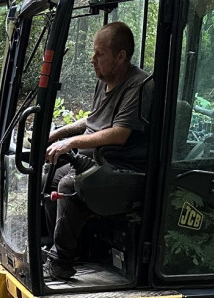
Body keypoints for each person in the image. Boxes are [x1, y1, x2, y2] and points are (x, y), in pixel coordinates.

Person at [43, 22, 151, 281]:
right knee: (50, 173)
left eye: (99, 54)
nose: (93, 60)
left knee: (70, 184)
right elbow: (93, 121)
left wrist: (70, 144)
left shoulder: (138, 85)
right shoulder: (104, 81)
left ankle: (61, 262)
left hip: (123, 166)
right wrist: (59, 134)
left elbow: (118, 133)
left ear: (121, 56)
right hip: (98, 161)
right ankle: (66, 250)